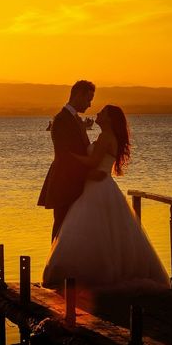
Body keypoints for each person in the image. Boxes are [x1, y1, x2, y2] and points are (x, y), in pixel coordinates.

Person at [42, 105, 169, 289]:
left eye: (102, 113)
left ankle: (90, 273)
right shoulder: (107, 137)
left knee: (90, 229)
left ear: (109, 119)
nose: (98, 113)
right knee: (103, 231)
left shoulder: (106, 138)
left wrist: (69, 156)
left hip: (97, 186)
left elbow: (93, 161)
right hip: (101, 184)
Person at [38, 80, 103, 241]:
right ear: (78, 95)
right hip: (64, 184)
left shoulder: (75, 119)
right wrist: (89, 174)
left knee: (72, 230)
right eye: (88, 99)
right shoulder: (61, 120)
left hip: (74, 185)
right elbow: (64, 155)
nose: (89, 104)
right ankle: (54, 263)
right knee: (61, 227)